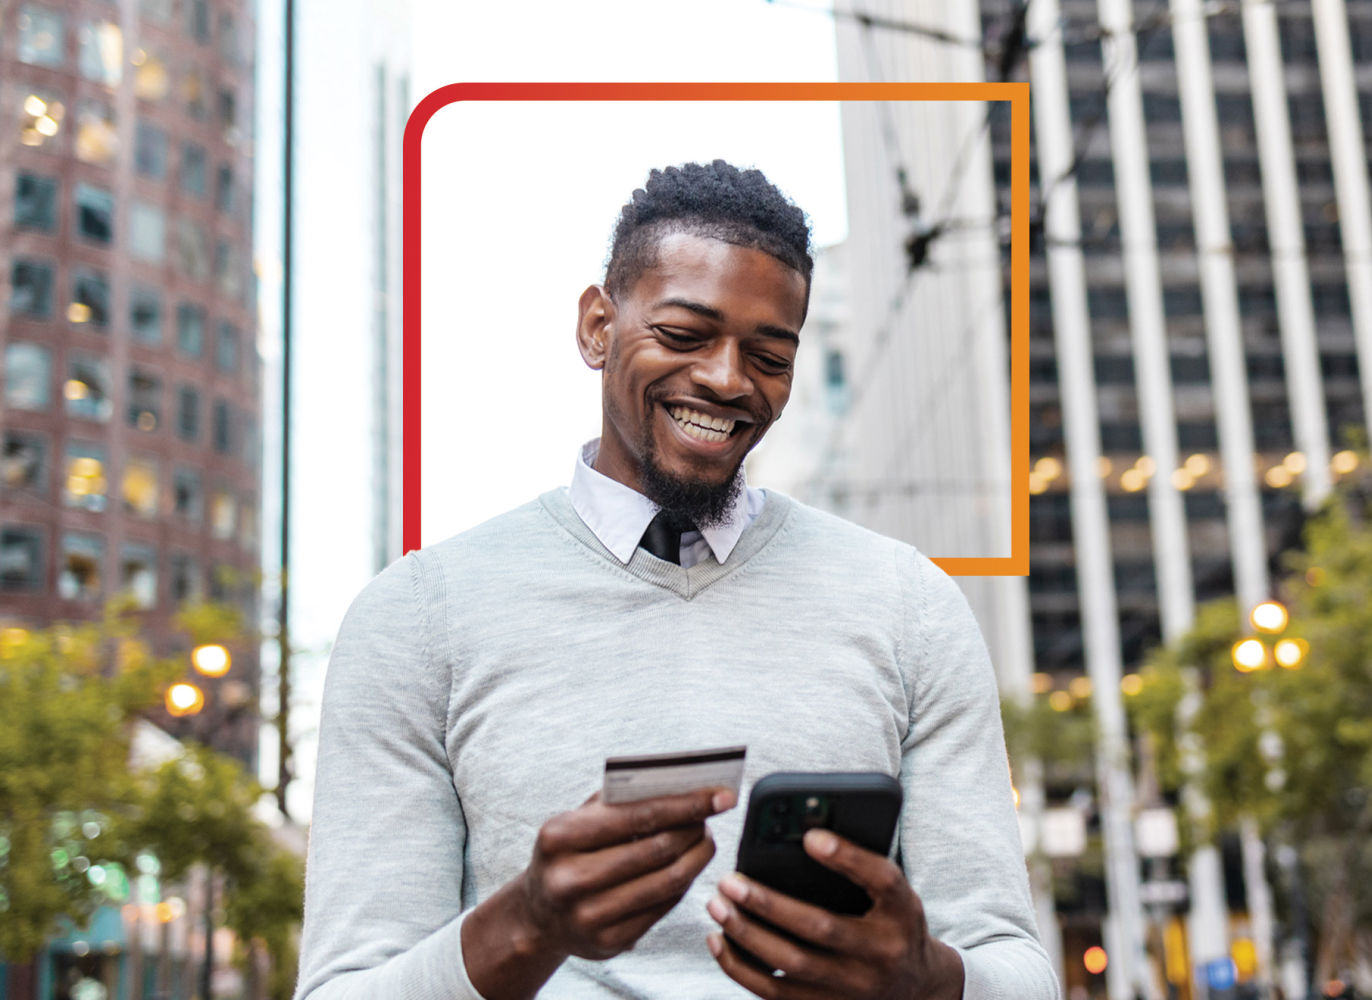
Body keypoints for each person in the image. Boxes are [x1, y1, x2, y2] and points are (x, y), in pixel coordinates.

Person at [294, 161, 1056, 1000]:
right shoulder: (416, 616)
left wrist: (929, 980)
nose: (728, 379)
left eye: (768, 354)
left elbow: (1015, 967)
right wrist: (528, 925)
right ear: (596, 327)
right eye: (686, 335)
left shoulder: (907, 603)